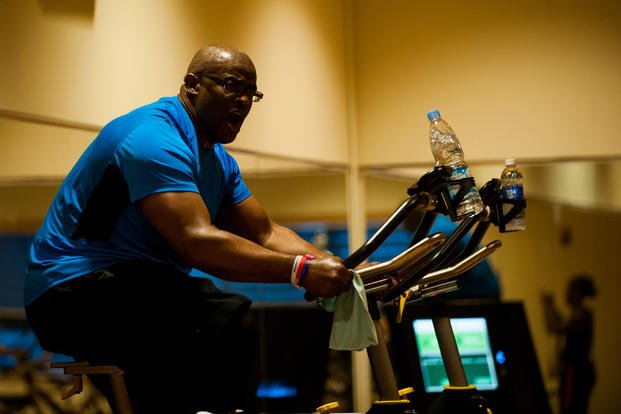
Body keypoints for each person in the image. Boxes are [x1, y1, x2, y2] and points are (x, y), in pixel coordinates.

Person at [23, 45, 352, 414]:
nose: (243, 100)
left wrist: (339, 268)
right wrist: (302, 271)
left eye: (251, 93)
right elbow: (196, 242)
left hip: (133, 285)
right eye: (231, 86)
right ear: (193, 85)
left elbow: (264, 233)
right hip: (69, 291)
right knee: (222, 315)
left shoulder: (215, 160)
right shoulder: (153, 138)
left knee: (202, 328)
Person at [542, 274, 597, 414]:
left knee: (570, 409)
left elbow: (555, 328)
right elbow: (563, 323)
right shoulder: (581, 315)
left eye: (571, 290)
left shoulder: (583, 316)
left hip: (575, 373)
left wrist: (547, 307)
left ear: (579, 293)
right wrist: (552, 307)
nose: (567, 293)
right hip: (577, 371)